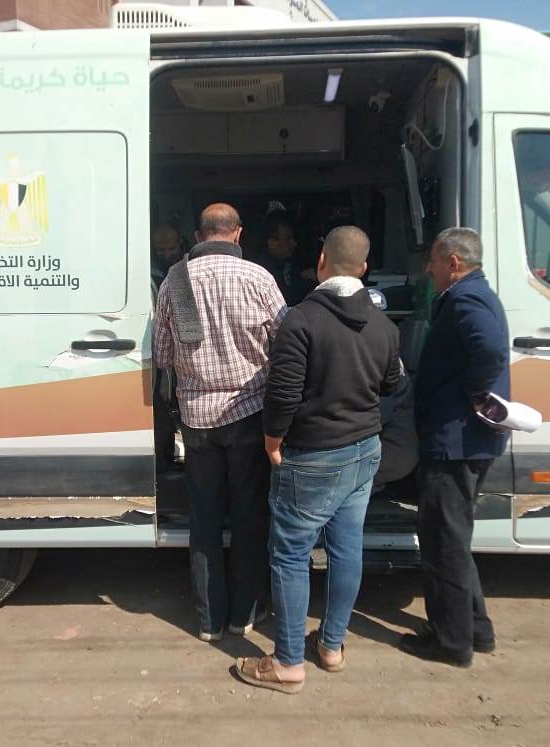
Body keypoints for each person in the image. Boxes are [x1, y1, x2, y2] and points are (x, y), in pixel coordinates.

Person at [234, 226, 401, 694]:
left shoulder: (301, 320)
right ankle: (331, 646)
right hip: (365, 450)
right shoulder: (384, 325)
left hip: (314, 456)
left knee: (290, 554)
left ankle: (288, 662)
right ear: (364, 268)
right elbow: (391, 383)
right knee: (348, 547)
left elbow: (282, 393)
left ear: (322, 259)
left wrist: (272, 440)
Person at [153, 203, 287, 642]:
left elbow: (162, 356)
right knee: (249, 517)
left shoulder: (175, 281)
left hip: (197, 422)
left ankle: (209, 620)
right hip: (249, 416)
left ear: (198, 236)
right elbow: (287, 346)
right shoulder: (258, 278)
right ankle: (243, 615)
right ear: (238, 234)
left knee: (205, 520)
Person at [400, 226, 509, 668]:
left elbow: (490, 350)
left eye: (433, 261)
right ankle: (476, 630)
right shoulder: (476, 293)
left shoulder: (466, 299)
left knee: (443, 542)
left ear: (453, 263)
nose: (428, 269)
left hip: (456, 440)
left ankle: (451, 642)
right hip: (464, 439)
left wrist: (474, 393)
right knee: (455, 539)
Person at [150, 222, 186, 471]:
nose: (166, 254)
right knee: (161, 408)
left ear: (181, 244)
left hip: (183, 352)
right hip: (161, 355)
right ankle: (164, 462)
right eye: (160, 250)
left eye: (171, 248)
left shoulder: (188, 270)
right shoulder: (151, 274)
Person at [254, 211, 313, 305]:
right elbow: (283, 299)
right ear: (272, 242)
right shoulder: (262, 272)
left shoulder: (291, 264)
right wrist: (306, 282)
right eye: (289, 239)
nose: (294, 243)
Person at [151, 222, 185, 288]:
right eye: (161, 250)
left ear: (180, 242)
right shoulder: (149, 270)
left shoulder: (191, 263)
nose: (167, 255)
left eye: (172, 248)